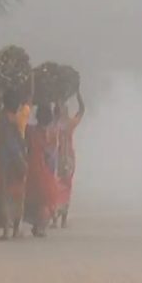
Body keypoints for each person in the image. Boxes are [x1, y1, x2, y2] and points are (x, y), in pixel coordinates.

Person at [0, 88, 29, 240]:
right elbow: (28, 100)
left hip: (2, 162)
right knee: (19, 194)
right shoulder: (20, 118)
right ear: (17, 104)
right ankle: (17, 229)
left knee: (4, 195)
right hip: (19, 161)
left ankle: (6, 230)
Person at [24, 103, 62, 237]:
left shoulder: (30, 130)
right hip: (45, 170)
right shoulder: (52, 133)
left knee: (34, 199)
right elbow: (51, 154)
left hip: (31, 168)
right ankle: (40, 226)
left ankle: (37, 224)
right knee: (46, 200)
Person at [53, 90, 86, 229]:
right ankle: (62, 219)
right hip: (65, 159)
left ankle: (56, 217)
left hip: (57, 158)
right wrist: (79, 96)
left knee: (57, 185)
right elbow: (82, 110)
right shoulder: (69, 123)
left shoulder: (55, 124)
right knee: (66, 186)